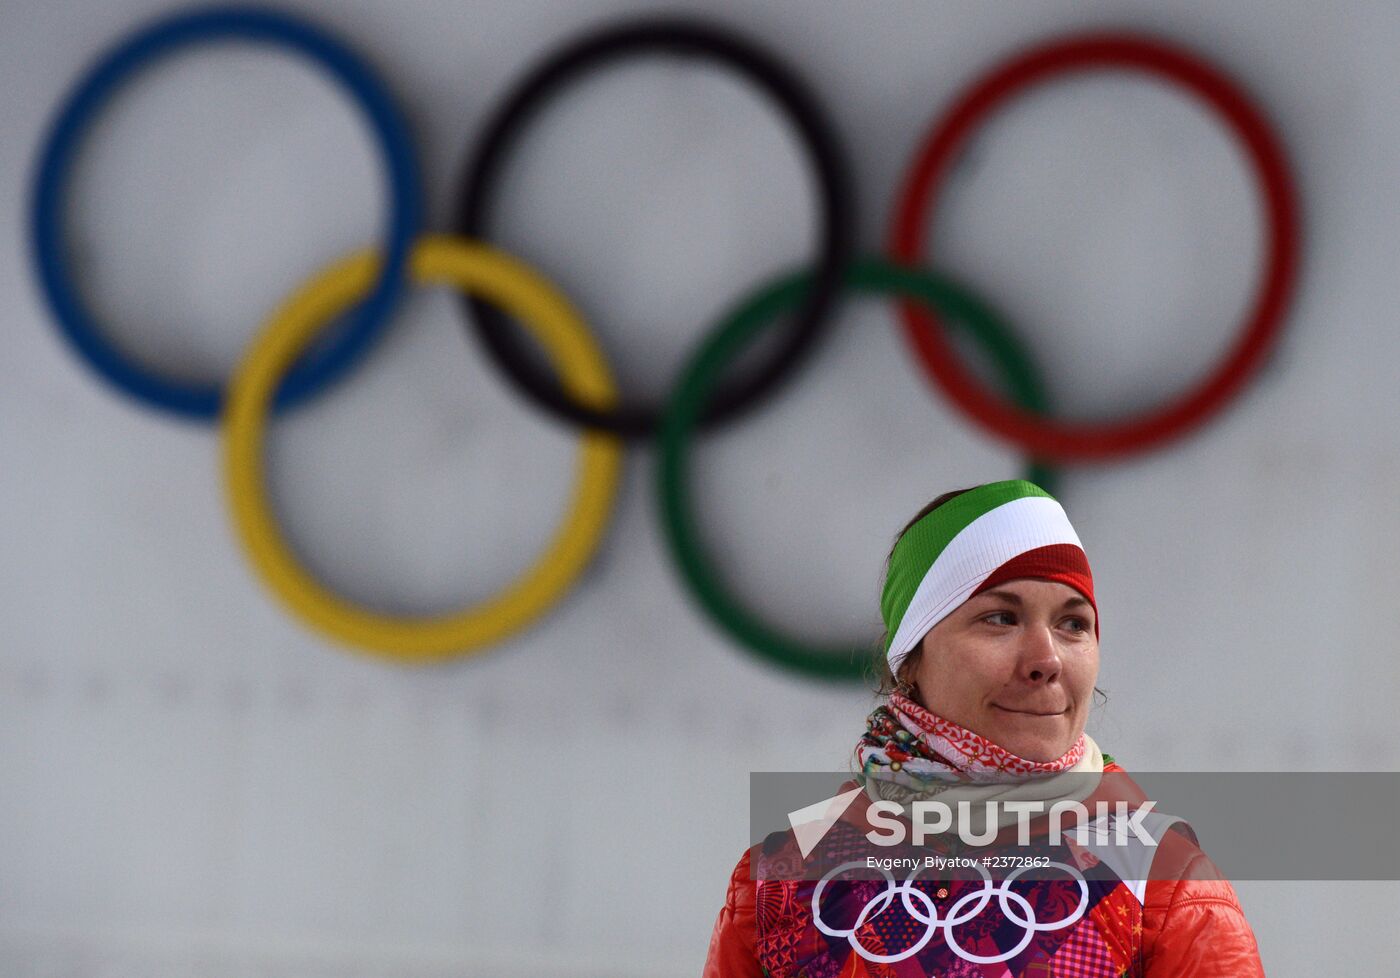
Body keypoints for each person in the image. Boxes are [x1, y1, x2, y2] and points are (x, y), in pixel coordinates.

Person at [702, 479, 1264, 977]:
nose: (1046, 658)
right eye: (1001, 618)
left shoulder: (1163, 885)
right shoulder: (782, 882)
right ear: (912, 657)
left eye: (1073, 623)